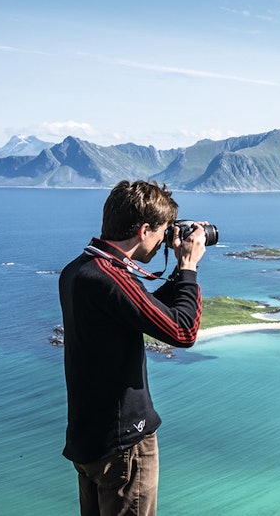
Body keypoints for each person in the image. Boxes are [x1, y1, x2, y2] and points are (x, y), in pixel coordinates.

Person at [58, 180, 208, 516]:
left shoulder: (79, 270)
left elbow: (144, 310)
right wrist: (188, 268)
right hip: (124, 446)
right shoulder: (110, 279)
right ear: (143, 230)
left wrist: (177, 274)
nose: (164, 242)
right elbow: (183, 331)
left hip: (89, 442)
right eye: (163, 233)